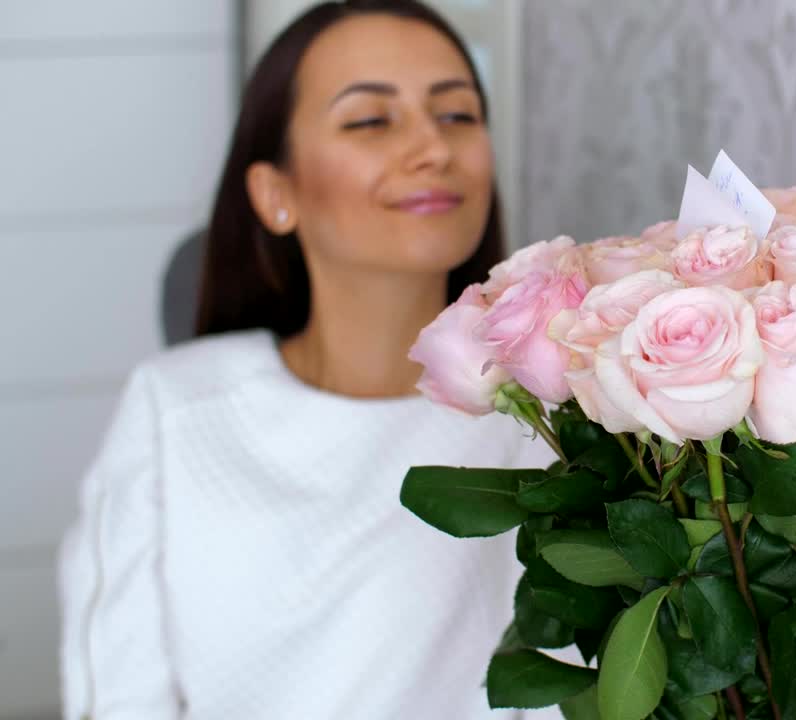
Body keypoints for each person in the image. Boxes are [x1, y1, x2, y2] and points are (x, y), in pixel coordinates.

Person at [58, 2, 556, 717]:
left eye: (457, 115)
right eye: (370, 120)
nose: (433, 148)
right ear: (274, 194)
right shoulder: (176, 412)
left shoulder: (545, 419)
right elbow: (121, 695)